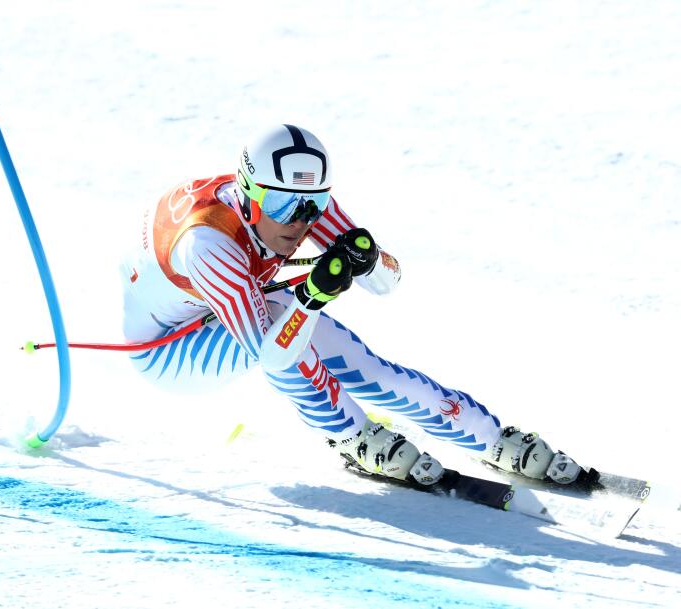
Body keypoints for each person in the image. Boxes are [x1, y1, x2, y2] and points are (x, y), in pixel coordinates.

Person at [121, 124, 588, 488]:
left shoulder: (295, 199)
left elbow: (387, 283)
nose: (300, 222)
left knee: (364, 365)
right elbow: (272, 357)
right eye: (283, 207)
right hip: (170, 351)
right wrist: (313, 298)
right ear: (250, 196)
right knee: (289, 323)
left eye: (314, 204)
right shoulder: (208, 245)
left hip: (234, 307)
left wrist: (369, 260)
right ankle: (354, 438)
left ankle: (490, 438)